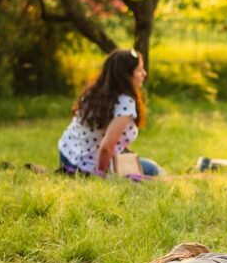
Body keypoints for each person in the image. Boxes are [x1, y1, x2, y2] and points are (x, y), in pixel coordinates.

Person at [58, 48, 163, 176]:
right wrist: (101, 175)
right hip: (88, 165)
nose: (144, 73)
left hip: (67, 156)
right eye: (139, 70)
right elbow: (106, 147)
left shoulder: (94, 91)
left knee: (132, 159)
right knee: (154, 169)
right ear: (126, 76)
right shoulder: (126, 102)